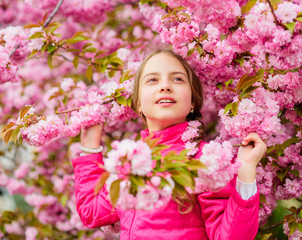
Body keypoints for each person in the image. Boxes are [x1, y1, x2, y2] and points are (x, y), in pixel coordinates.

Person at [72, 49, 267, 240]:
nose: (165, 86)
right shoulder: (130, 161)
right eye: (152, 80)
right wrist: (89, 148)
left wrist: (246, 170)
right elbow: (92, 212)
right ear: (138, 104)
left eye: (177, 79)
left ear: (192, 102)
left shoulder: (206, 160)